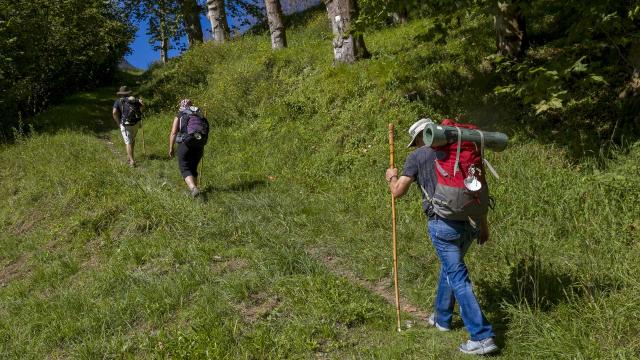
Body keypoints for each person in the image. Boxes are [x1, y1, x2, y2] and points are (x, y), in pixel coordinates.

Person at [385, 118, 497, 355]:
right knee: (450, 269)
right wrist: (484, 225)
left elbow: (398, 192)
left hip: (442, 224)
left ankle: (482, 336)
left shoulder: (417, 157)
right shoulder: (457, 149)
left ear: (419, 138)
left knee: (457, 276)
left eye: (415, 142)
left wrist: (391, 177)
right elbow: (475, 190)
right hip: (470, 223)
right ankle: (443, 319)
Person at [168, 99, 209, 198]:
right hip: (199, 144)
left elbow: (173, 132)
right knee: (193, 168)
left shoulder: (180, 114)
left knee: (185, 167)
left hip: (185, 144)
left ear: (182, 106)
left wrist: (171, 148)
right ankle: (196, 193)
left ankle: (193, 188)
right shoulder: (199, 114)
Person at [112, 85, 144, 167]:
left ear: (121, 93)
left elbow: (114, 112)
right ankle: (130, 157)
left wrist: (118, 123)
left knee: (128, 142)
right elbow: (142, 107)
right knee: (132, 140)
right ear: (128, 93)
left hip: (126, 124)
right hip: (136, 123)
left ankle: (132, 161)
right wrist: (141, 102)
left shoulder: (118, 101)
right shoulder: (135, 100)